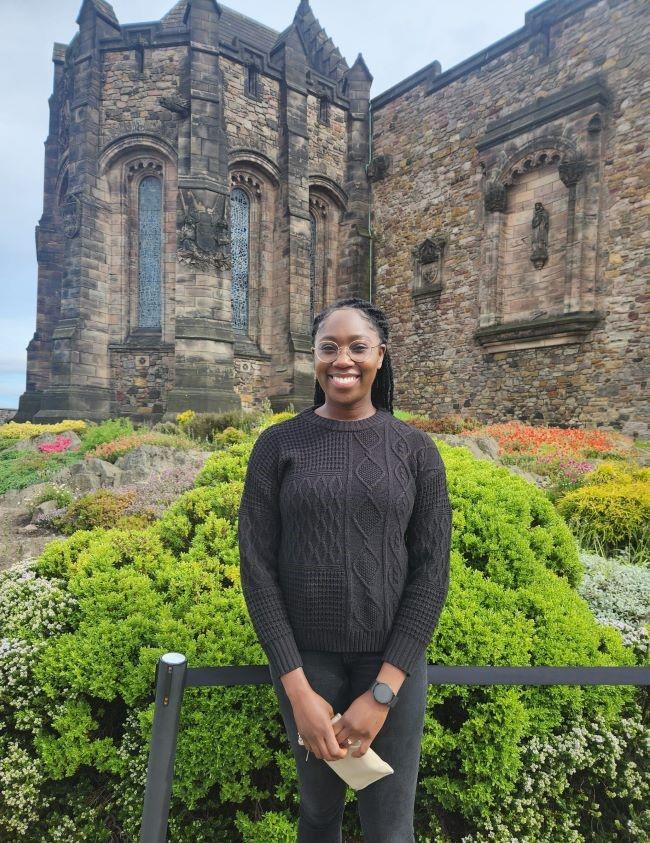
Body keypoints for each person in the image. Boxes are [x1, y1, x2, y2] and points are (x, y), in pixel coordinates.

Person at [238, 297, 452, 842]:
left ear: (381, 355)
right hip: (307, 667)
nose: (343, 360)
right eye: (328, 347)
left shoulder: (415, 450)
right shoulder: (278, 446)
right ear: (313, 357)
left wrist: (382, 693)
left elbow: (431, 573)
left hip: (392, 665)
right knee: (318, 815)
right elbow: (257, 570)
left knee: (390, 828)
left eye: (358, 347)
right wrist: (299, 693)